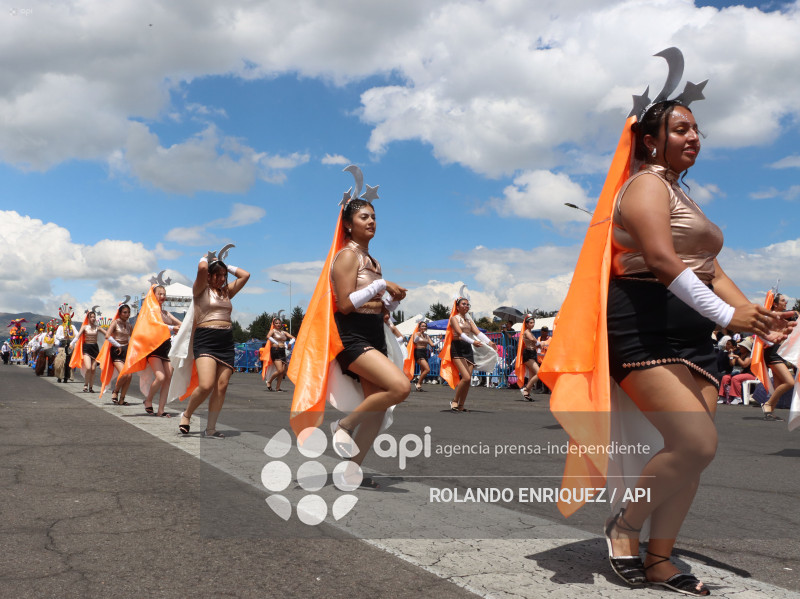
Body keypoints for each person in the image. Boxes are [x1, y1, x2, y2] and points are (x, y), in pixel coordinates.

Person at [540, 87, 794, 595]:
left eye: (697, 129)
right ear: (651, 141)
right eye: (681, 128)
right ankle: (625, 528)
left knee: (692, 455)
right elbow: (660, 260)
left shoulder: (682, 194)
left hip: (692, 332)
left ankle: (659, 558)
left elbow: (710, 268)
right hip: (642, 323)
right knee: (695, 442)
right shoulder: (644, 188)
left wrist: (756, 317)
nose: (694, 137)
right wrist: (727, 314)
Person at [176, 256, 250, 438]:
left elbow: (245, 275)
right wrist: (205, 259)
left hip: (225, 340)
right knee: (207, 384)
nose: (221, 278)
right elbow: (201, 270)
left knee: (222, 386)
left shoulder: (226, 292)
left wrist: (226, 263)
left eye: (224, 275)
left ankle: (210, 429)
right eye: (217, 275)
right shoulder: (200, 290)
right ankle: (186, 414)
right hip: (206, 339)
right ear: (209, 276)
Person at [440, 297, 497, 412]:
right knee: (465, 377)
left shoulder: (469, 321)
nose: (466, 306)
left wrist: (490, 342)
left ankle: (461, 405)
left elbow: (478, 332)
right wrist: (473, 342)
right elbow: (460, 334)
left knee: (468, 379)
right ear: (457, 306)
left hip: (467, 348)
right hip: (457, 347)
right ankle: (455, 401)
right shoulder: (454, 319)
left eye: (468, 305)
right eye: (464, 304)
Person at [759, 294, 799, 420]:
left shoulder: (783, 320)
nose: (785, 302)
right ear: (775, 304)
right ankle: (768, 404)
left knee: (778, 386)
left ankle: (769, 412)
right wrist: (795, 312)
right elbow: (787, 315)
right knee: (789, 382)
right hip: (772, 354)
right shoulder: (771, 316)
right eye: (782, 300)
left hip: (778, 353)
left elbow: (789, 327)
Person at [100, 304, 134, 404]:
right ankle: (115, 391)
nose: (127, 314)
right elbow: (107, 335)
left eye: (128, 312)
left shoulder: (129, 325)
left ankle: (122, 399)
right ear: (119, 313)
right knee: (124, 374)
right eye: (125, 312)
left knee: (130, 376)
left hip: (126, 350)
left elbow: (133, 338)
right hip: (116, 351)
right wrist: (118, 345)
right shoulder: (115, 322)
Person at [71, 310, 103, 392]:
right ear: (88, 318)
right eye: (91, 317)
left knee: (93, 369)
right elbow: (77, 336)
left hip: (95, 349)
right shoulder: (84, 327)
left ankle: (91, 387)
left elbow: (107, 334)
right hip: (86, 349)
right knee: (88, 367)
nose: (93, 318)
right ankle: (85, 385)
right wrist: (72, 343)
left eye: (94, 317)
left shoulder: (97, 328)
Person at [265, 317, 295, 392]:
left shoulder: (283, 332)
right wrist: (276, 342)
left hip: (283, 351)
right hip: (276, 350)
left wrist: (290, 343)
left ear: (281, 324)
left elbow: (293, 338)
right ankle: (269, 381)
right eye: (276, 323)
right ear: (274, 324)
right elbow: (268, 336)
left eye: (279, 323)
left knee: (283, 371)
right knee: (280, 370)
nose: (278, 324)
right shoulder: (273, 331)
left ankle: (278, 388)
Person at [516, 315, 541, 400]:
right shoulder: (527, 332)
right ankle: (526, 389)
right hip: (528, 354)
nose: (533, 324)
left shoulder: (530, 332)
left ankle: (527, 393)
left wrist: (539, 346)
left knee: (532, 375)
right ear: (526, 324)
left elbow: (534, 343)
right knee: (539, 373)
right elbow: (533, 340)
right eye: (531, 323)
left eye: (533, 322)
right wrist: (539, 344)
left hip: (533, 353)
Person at [406, 321, 436, 391]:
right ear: (419, 327)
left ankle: (419, 385)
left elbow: (432, 344)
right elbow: (415, 341)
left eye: (425, 326)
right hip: (418, 352)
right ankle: (418, 383)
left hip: (425, 352)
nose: (424, 327)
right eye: (422, 326)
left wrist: (440, 339)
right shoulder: (416, 334)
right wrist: (419, 334)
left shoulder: (427, 336)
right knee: (427, 369)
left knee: (423, 370)